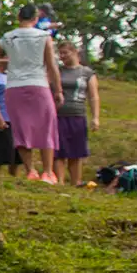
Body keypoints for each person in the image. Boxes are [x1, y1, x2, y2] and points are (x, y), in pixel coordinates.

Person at [0, 4, 63, 184]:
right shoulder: (43, 36)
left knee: (21, 128)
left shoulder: (8, 37)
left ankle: (30, 170)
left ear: (18, 17)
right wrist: (59, 90)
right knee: (46, 125)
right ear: (36, 19)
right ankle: (47, 172)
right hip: (39, 84)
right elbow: (51, 65)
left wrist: (9, 60)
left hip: (14, 86)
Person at [54, 40, 99, 186]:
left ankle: (75, 182)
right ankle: (59, 181)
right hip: (58, 114)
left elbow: (93, 96)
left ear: (74, 52)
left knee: (76, 150)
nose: (62, 56)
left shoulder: (86, 72)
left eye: (65, 53)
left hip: (78, 113)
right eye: (60, 53)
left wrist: (96, 117)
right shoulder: (57, 71)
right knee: (58, 149)